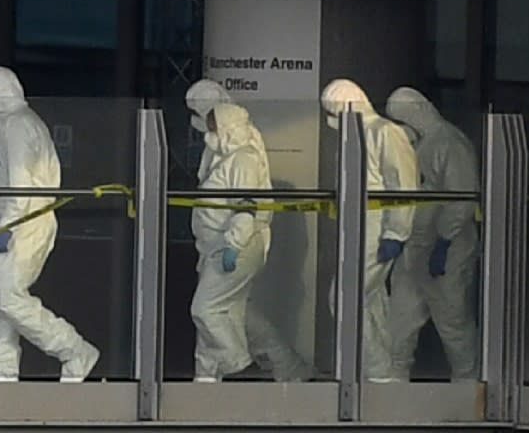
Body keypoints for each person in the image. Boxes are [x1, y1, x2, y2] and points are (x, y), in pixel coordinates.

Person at [0, 66, 99, 383]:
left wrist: (9, 226)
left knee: (9, 299)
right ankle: (1, 367)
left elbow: (22, 186)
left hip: (23, 224)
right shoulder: (18, 124)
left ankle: (74, 350)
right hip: (11, 224)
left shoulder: (17, 127)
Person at [187, 85, 313, 382]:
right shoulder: (226, 150)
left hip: (233, 244)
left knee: (208, 310)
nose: (205, 129)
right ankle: (208, 382)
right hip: (217, 244)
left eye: (208, 121)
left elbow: (247, 204)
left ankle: (241, 368)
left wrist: (235, 243)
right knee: (235, 315)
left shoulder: (243, 154)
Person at [321, 79, 418, 382]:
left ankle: (376, 373)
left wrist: (396, 232)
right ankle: (380, 372)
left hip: (376, 233)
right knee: (370, 303)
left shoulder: (385, 133)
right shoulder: (356, 135)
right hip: (357, 231)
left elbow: (403, 184)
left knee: (345, 297)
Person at [386, 86, 479, 381]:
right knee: (399, 325)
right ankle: (392, 386)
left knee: (453, 323)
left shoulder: (450, 144)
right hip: (415, 249)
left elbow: (462, 199)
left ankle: (468, 388)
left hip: (446, 251)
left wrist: (444, 242)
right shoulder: (421, 144)